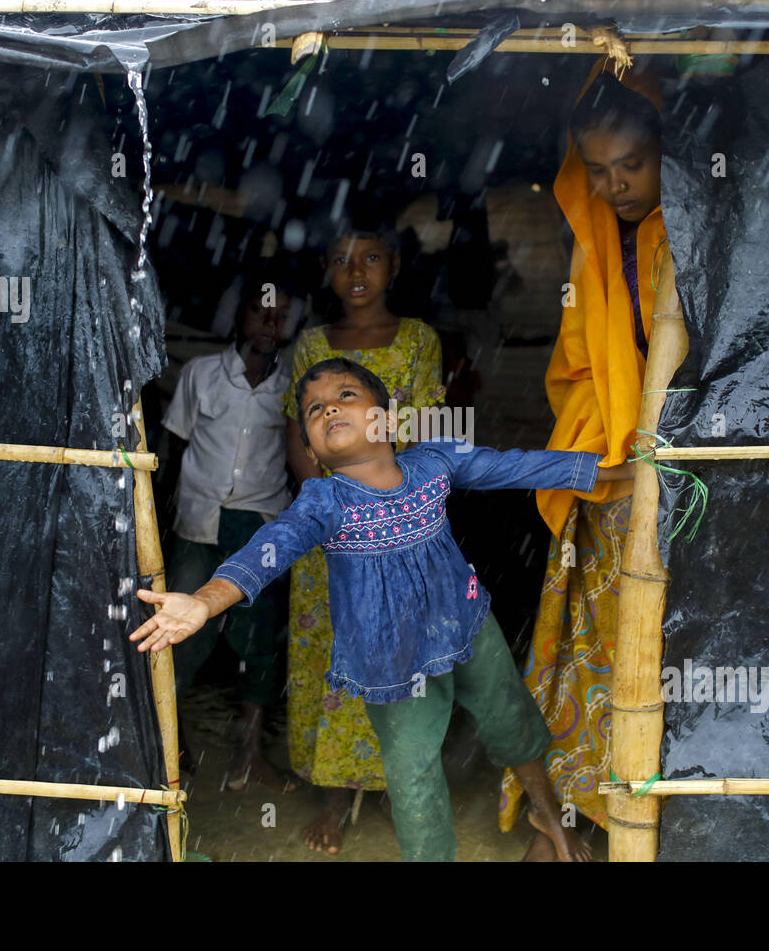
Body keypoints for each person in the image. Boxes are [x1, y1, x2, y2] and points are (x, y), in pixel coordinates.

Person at [132, 358, 633, 861]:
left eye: (346, 395)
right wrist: (203, 599)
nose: (329, 407)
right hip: (393, 667)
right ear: (311, 451)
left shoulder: (433, 463)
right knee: (414, 781)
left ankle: (546, 814)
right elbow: (269, 550)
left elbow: (516, 465)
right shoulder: (323, 501)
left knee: (514, 723)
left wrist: (617, 470)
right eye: (314, 410)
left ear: (388, 421)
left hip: (468, 628)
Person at [498, 61, 676, 859]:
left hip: (689, 489)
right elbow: (575, 370)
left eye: (630, 167)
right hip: (606, 484)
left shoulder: (701, 238)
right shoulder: (594, 252)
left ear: (665, 153)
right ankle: (574, 816)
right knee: (593, 655)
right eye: (597, 171)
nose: (613, 186)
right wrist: (601, 452)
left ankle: (658, 816)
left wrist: (663, 454)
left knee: (676, 662)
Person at [278, 224, 446, 853]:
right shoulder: (313, 345)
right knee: (331, 651)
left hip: (398, 524)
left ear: (394, 266)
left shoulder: (418, 341)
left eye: (371, 259)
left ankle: (397, 780)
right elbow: (297, 433)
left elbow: (427, 434)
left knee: (399, 649)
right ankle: (334, 789)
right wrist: (324, 505)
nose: (357, 272)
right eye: (343, 260)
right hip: (330, 528)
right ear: (326, 267)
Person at [159, 270, 302, 791]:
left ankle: (250, 757)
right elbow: (174, 449)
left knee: (259, 639)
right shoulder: (201, 374)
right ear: (240, 316)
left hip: (259, 524)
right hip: (197, 522)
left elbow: (295, 460)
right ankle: (162, 746)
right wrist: (163, 516)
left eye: (282, 315)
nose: (270, 323)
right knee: (179, 634)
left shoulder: (294, 384)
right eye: (261, 311)